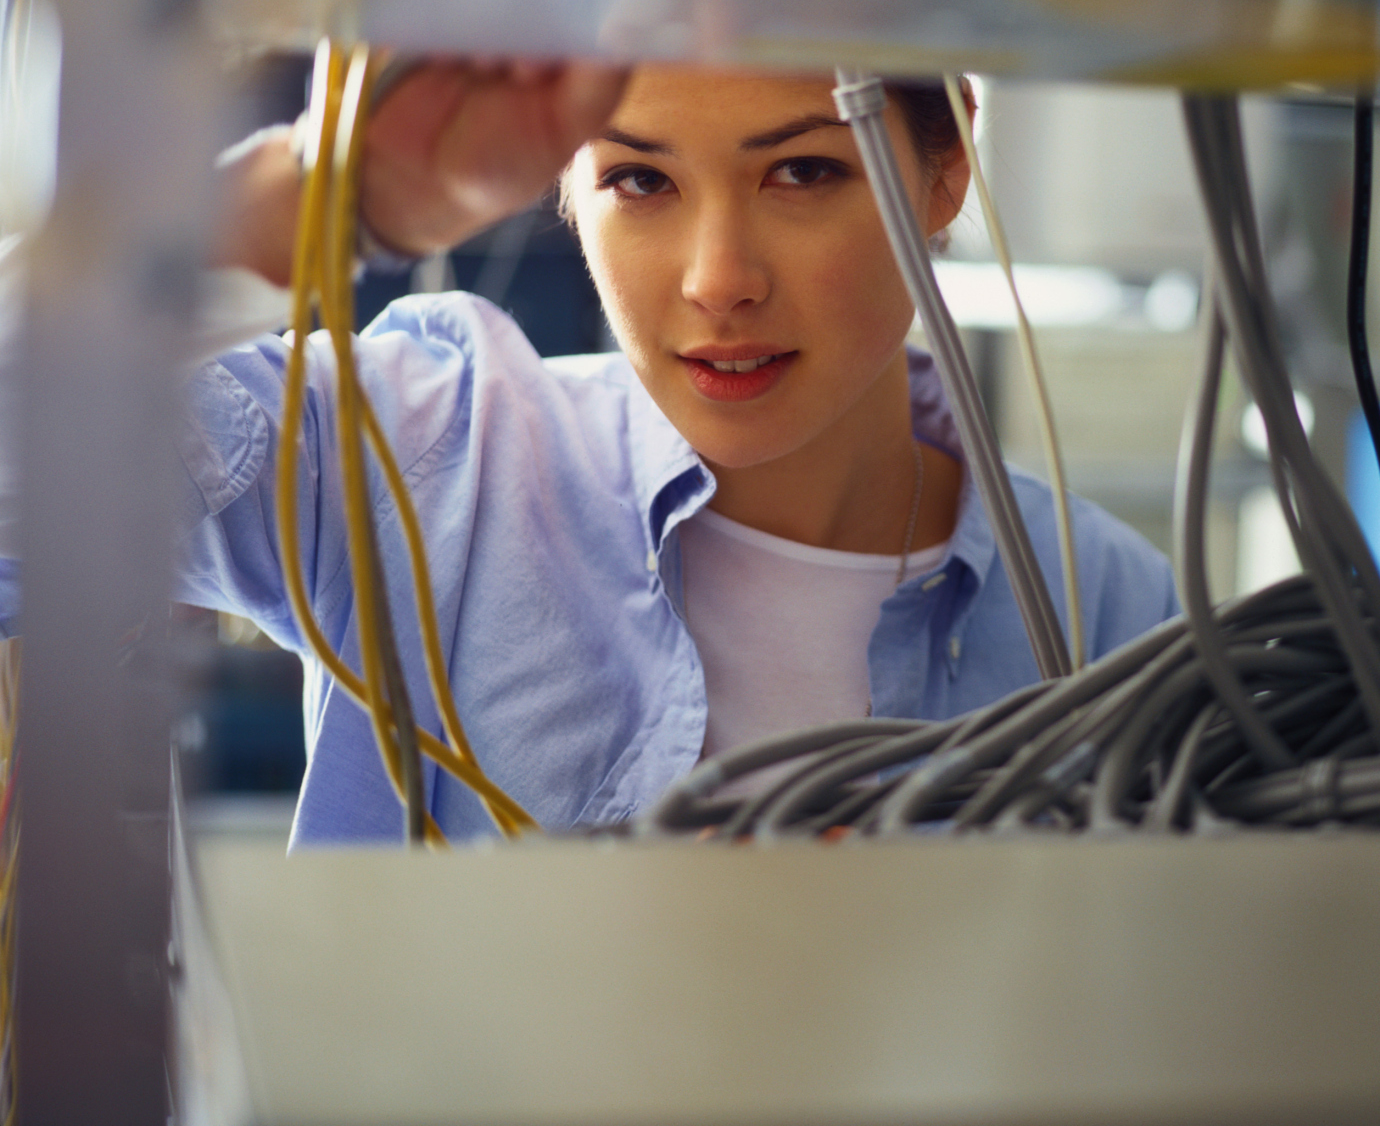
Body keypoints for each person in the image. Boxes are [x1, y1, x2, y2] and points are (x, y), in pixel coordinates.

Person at [180, 59, 1178, 844]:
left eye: (801, 171)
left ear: (946, 166)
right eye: (640, 179)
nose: (719, 280)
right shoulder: (420, 454)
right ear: (566, 184)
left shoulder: (1120, 619)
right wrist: (327, 196)